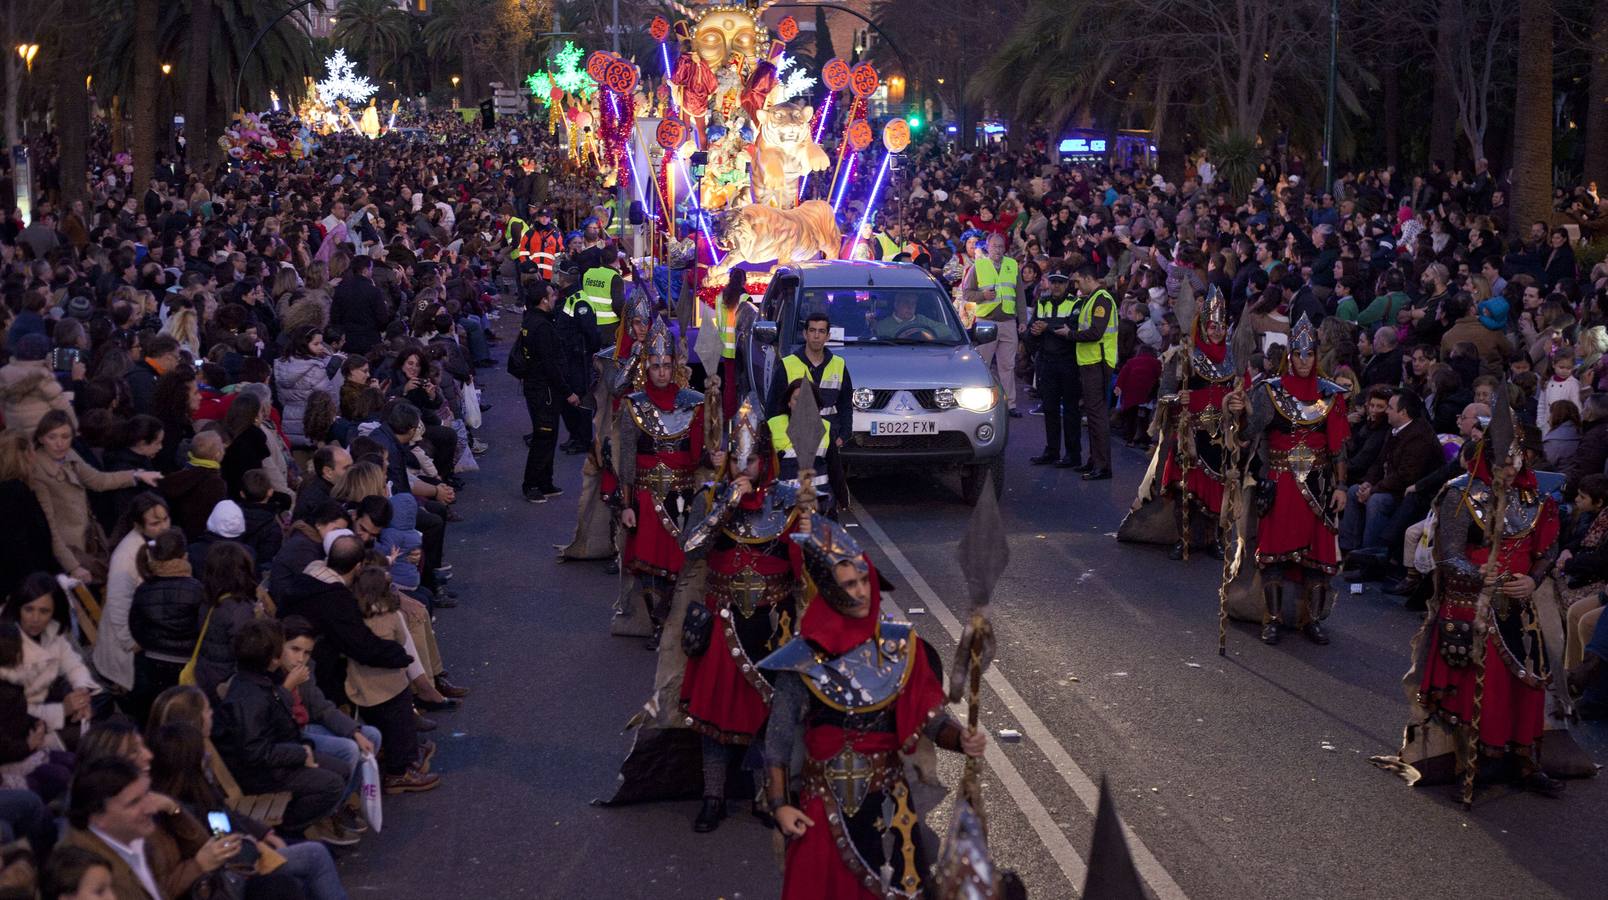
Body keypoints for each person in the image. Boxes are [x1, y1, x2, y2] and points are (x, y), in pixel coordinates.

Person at [759, 515, 986, 898]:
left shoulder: (900, 646)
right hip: (823, 807)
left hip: (889, 805)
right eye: (850, 584)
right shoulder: (802, 657)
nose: (863, 591)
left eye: (865, 580)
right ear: (830, 590)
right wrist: (780, 805)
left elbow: (929, 717)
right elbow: (778, 741)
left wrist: (959, 738)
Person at [1412, 423, 1565, 799]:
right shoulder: (1460, 494)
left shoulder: (1537, 499)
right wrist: (1480, 574)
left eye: (1515, 458)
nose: (1509, 467)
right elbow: (1447, 555)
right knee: (1481, 689)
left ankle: (1526, 762)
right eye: (1501, 459)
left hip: (1520, 606)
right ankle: (1471, 764)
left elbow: (1547, 549)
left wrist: (1532, 579)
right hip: (1471, 604)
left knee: (1529, 685)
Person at [678, 401, 801, 833]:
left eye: (751, 458)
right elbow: (691, 550)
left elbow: (805, 569)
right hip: (723, 618)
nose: (743, 466)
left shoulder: (787, 501)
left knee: (767, 715)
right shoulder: (710, 497)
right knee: (715, 717)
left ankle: (764, 797)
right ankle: (713, 796)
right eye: (736, 457)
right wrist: (726, 503)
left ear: (765, 459)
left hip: (772, 626)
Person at [1226, 313, 1350, 645]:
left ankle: (1312, 620)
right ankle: (1273, 619)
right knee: (1273, 555)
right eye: (1298, 354)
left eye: (1310, 353)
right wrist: (1239, 411)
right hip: (1279, 482)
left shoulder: (1331, 394)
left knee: (1317, 559)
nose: (1305, 360)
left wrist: (1341, 486)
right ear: (1289, 355)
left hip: (1320, 484)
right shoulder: (1270, 392)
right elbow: (1248, 434)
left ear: (1317, 354)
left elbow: (1338, 446)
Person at [211, 618, 352, 837]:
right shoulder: (250, 696)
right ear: (272, 659)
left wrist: (303, 748)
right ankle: (289, 831)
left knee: (341, 769)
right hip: (262, 775)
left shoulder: (259, 683)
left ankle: (312, 824)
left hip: (278, 759)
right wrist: (299, 753)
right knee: (330, 784)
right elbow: (256, 751)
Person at [614, 320, 705, 649]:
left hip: (683, 496)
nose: (662, 372)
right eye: (656, 366)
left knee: (682, 564)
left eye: (667, 366)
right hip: (646, 495)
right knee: (649, 567)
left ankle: (674, 622)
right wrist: (626, 506)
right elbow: (626, 459)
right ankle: (657, 624)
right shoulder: (634, 405)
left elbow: (701, 454)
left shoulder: (693, 402)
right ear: (647, 367)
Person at [1156, 286, 1243, 556]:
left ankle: (1216, 539)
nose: (1217, 331)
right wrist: (1177, 398)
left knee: (1220, 488)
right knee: (1185, 488)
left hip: (1220, 433)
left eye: (1221, 326)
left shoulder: (1233, 357)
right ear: (1203, 325)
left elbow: (1241, 394)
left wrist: (1240, 403)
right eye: (1212, 325)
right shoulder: (1186, 354)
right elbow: (1164, 396)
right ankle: (1183, 539)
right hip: (1190, 432)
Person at [29, 410, 161, 585]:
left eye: (65, 436)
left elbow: (97, 480)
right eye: (52, 437)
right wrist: (73, 566)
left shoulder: (69, 454)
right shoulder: (38, 473)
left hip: (85, 541)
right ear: (41, 438)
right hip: (67, 552)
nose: (59, 443)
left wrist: (135, 476)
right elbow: (50, 526)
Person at [1339, 390, 1442, 558]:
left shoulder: (1419, 437)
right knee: (1353, 491)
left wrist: (1373, 490)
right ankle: (1349, 550)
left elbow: (1405, 477)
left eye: (1390, 408)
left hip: (1412, 494)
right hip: (1390, 486)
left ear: (1403, 412)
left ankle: (1370, 557)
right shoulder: (1394, 430)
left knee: (1377, 501)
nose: (1386, 411)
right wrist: (1368, 483)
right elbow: (1379, 463)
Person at [768, 310, 853, 508]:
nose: (816, 335)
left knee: (825, 479)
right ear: (805, 334)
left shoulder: (839, 365)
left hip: (827, 438)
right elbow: (774, 406)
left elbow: (845, 404)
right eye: (812, 330)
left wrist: (844, 433)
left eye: (821, 331)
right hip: (793, 437)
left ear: (828, 336)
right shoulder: (788, 365)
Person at [513, 274, 577, 502]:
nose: (555, 298)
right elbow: (550, 363)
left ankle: (545, 482)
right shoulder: (542, 327)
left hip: (539, 388)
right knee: (544, 436)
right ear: (543, 299)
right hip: (545, 391)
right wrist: (567, 391)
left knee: (549, 436)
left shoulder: (531, 320)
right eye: (552, 295)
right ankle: (531, 484)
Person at [961, 233, 1026, 416]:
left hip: (1008, 321)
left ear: (1004, 248)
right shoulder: (978, 266)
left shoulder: (1012, 265)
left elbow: (1020, 296)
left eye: (1000, 246)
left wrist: (1023, 321)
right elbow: (966, 293)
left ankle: (1009, 405)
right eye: (994, 246)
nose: (998, 249)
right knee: (983, 364)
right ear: (987, 247)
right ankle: (979, 404)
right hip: (986, 322)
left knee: (1008, 366)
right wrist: (983, 296)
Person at [1027, 265, 1082, 468]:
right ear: (1049, 283)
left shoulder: (1075, 303)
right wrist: (1033, 335)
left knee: (1070, 410)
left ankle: (1072, 454)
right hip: (1047, 362)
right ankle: (1051, 451)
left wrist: (1046, 328)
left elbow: (1073, 329)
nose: (1057, 285)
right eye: (1054, 281)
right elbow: (1033, 329)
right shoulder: (1042, 302)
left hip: (1068, 362)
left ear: (1067, 284)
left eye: (1061, 282)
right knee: (1049, 408)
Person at [1070, 264, 1117, 480]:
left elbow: (1096, 332)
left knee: (1097, 416)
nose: (1076, 286)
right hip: (1091, 362)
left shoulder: (1102, 300)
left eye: (1078, 281)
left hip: (1098, 363)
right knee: (1093, 415)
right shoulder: (1092, 299)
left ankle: (1102, 466)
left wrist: (1070, 335)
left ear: (1089, 278)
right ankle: (1094, 460)